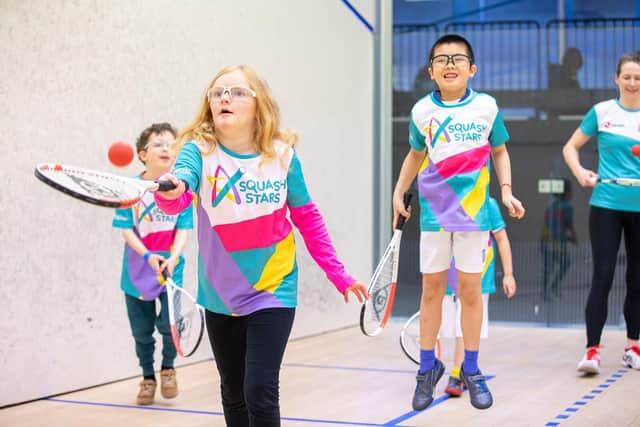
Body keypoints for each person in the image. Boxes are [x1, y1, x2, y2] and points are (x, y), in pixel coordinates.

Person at [153, 64, 368, 427]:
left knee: (260, 389)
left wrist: (338, 273)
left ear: (259, 104)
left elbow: (308, 218)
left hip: (274, 287)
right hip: (220, 293)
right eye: (217, 92)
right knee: (233, 392)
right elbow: (179, 192)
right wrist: (172, 189)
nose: (225, 98)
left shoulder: (283, 156)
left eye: (237, 92)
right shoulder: (199, 151)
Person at [392, 33, 525, 411]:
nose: (450, 64)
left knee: (469, 293)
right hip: (435, 216)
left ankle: (470, 368)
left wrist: (507, 190)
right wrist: (398, 191)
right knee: (431, 293)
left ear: (472, 69)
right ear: (431, 70)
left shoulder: (486, 107)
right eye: (442, 59)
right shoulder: (421, 112)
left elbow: (499, 151)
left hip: (475, 216)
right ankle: (426, 370)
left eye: (458, 58)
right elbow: (416, 156)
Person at [562, 51, 640, 375]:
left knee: (638, 279)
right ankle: (592, 351)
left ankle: (633, 346)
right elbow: (570, 147)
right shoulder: (602, 112)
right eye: (627, 77)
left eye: (638, 78)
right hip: (606, 204)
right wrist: (580, 173)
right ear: (616, 79)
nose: (633, 83)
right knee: (603, 276)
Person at [112, 122, 194, 405]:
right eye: (158, 144)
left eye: (171, 144)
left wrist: (172, 257)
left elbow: (183, 228)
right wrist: (148, 256)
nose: (166, 149)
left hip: (170, 270)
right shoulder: (129, 190)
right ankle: (147, 377)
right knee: (141, 332)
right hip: (137, 272)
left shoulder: (181, 190)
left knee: (169, 326)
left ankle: (168, 369)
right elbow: (125, 229)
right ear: (142, 155)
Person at [440, 197, 516, 397]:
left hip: (479, 280)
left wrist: (508, 274)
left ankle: (457, 373)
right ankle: (465, 369)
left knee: (462, 327)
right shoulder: (448, 200)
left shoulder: (488, 204)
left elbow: (501, 239)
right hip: (451, 279)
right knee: (455, 328)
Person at [540, 178, 577, 301]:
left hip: (546, 240)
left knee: (549, 267)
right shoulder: (567, 207)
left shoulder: (550, 206)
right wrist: (574, 238)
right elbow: (569, 225)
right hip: (556, 242)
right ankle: (550, 290)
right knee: (563, 264)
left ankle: (548, 291)